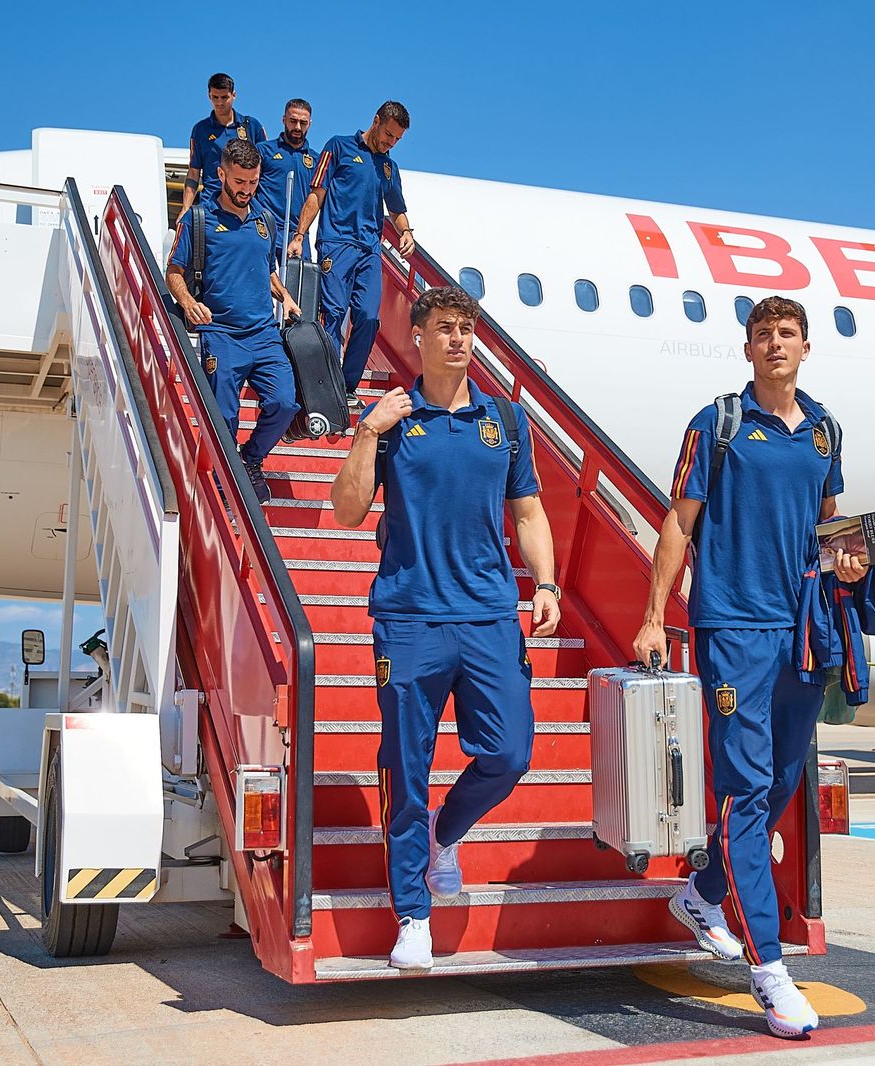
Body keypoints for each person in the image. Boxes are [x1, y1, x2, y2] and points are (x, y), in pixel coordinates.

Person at [632, 296, 867, 1040]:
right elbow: (678, 521)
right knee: (743, 790)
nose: (775, 345)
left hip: (802, 629)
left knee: (784, 779)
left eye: (786, 334)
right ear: (747, 350)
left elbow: (830, 526)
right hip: (732, 625)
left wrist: (850, 567)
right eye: (762, 335)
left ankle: (703, 892)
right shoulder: (717, 425)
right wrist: (652, 614)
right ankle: (769, 972)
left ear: (805, 347)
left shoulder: (825, 431)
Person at [329, 285, 560, 971]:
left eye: (467, 328)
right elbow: (345, 511)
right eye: (445, 328)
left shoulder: (506, 421)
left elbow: (528, 514)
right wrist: (367, 431)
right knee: (407, 769)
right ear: (420, 336)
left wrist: (544, 582)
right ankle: (413, 916)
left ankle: (446, 833)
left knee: (510, 753)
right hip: (410, 617)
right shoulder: (395, 418)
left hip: (490, 614)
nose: (458, 339)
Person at [165, 138, 300, 505]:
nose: (246, 190)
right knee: (223, 415)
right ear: (222, 174)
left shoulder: (265, 219)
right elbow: (173, 271)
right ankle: (225, 483)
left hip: (263, 334)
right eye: (240, 182)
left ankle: (251, 459)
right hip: (221, 333)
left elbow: (265, 270)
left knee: (285, 404)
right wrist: (189, 302)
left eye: (253, 182)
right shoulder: (200, 219)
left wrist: (284, 297)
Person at [288, 101, 414, 405]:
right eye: (387, 134)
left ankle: (346, 384)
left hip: (369, 250)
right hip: (336, 243)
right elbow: (316, 195)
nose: (390, 142)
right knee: (333, 314)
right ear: (375, 120)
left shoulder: (388, 166)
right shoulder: (338, 147)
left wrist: (407, 231)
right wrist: (299, 235)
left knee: (369, 318)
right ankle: (328, 384)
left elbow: (396, 209)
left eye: (396, 139)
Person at [180, 73, 267, 217]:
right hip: (211, 204)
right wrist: (185, 207)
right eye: (215, 97)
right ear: (209, 96)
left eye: (224, 97)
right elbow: (194, 171)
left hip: (244, 202)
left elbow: (264, 169)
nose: (219, 102)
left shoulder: (251, 126)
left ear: (234, 95)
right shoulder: (200, 130)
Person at [253, 98, 316, 267]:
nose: (297, 127)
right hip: (264, 229)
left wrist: (300, 235)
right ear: (283, 120)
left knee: (298, 288)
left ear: (309, 123)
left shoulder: (316, 160)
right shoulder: (264, 150)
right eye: (293, 121)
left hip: (298, 235)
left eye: (303, 123)